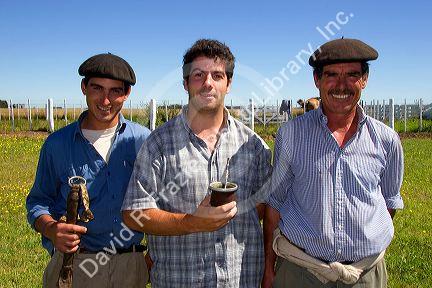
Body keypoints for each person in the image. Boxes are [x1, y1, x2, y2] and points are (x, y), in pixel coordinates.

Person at [122, 39, 272, 287]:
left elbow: (267, 209)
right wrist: (190, 223)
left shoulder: (254, 145)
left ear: (229, 83)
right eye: (198, 75)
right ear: (185, 83)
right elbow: (133, 215)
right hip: (180, 280)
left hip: (241, 280)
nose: (208, 83)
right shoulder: (159, 143)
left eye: (217, 75)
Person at [262, 38, 404, 288]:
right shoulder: (291, 135)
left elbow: (388, 203)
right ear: (317, 80)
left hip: (364, 276)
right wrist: (268, 269)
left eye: (352, 75)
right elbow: (275, 205)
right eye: (331, 75)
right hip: (301, 273)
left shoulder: (387, 140)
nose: (341, 85)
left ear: (364, 79)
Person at [26, 53, 151, 287]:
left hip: (130, 268)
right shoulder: (57, 145)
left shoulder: (143, 141)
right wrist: (52, 229)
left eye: (115, 91)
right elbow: (37, 202)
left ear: (127, 94)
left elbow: (158, 202)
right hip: (75, 266)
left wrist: (151, 257)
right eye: (97, 88)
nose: (105, 100)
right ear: (84, 87)